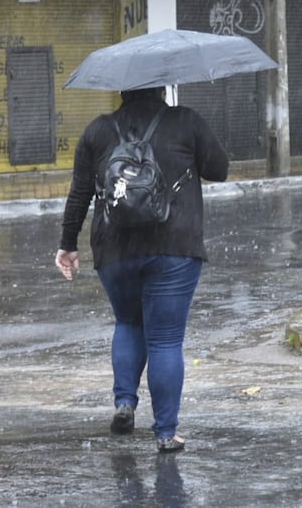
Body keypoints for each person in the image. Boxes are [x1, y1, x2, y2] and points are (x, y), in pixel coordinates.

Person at [55, 86, 228, 453]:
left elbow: (80, 193)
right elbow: (220, 169)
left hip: (115, 249)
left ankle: (124, 403)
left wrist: (67, 244)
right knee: (165, 339)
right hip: (174, 247)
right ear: (162, 88)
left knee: (128, 323)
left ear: (121, 90)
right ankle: (166, 433)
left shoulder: (97, 131)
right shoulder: (184, 121)